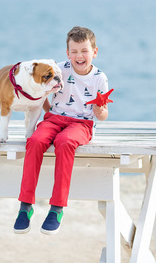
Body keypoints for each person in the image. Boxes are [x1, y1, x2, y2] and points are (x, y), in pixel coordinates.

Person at [14, 26, 109, 235]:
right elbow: (41, 94)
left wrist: (99, 110)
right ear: (67, 53)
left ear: (94, 52)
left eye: (84, 50)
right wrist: (50, 112)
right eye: (74, 51)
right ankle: (25, 205)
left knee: (65, 142)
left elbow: (103, 116)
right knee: (36, 141)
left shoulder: (99, 78)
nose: (79, 56)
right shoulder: (58, 69)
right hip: (54, 119)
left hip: (81, 124)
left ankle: (57, 208)